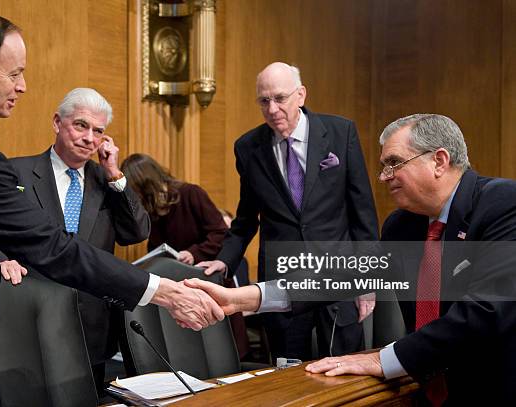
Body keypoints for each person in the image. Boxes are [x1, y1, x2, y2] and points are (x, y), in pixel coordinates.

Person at [0, 11, 222, 405]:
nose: (23, 86)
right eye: (14, 73)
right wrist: (164, 293)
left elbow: (134, 230)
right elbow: (49, 246)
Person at [189, 114, 516, 405]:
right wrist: (247, 298)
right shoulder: (403, 225)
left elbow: (484, 312)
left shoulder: (502, 204)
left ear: (439, 161)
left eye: (394, 163)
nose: (383, 177)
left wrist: (382, 360)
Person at [198, 62, 379, 361]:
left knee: (345, 368)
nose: (272, 109)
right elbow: (245, 219)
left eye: (280, 98)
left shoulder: (340, 132)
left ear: (301, 95)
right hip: (282, 279)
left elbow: (364, 214)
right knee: (287, 370)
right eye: (264, 101)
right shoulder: (247, 147)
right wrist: (224, 261)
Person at [0, 87, 150, 394]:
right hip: (28, 319)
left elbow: (136, 232)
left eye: (98, 131)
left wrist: (115, 174)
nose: (89, 138)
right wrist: (2, 257)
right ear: (57, 122)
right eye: (81, 125)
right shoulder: (17, 172)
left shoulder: (106, 181)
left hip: (89, 327)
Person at [121, 153, 227, 265]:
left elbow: (221, 232)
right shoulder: (149, 211)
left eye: (136, 192)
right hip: (177, 277)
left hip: (207, 273)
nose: (136, 198)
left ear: (147, 185)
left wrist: (194, 254)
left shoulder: (191, 193)